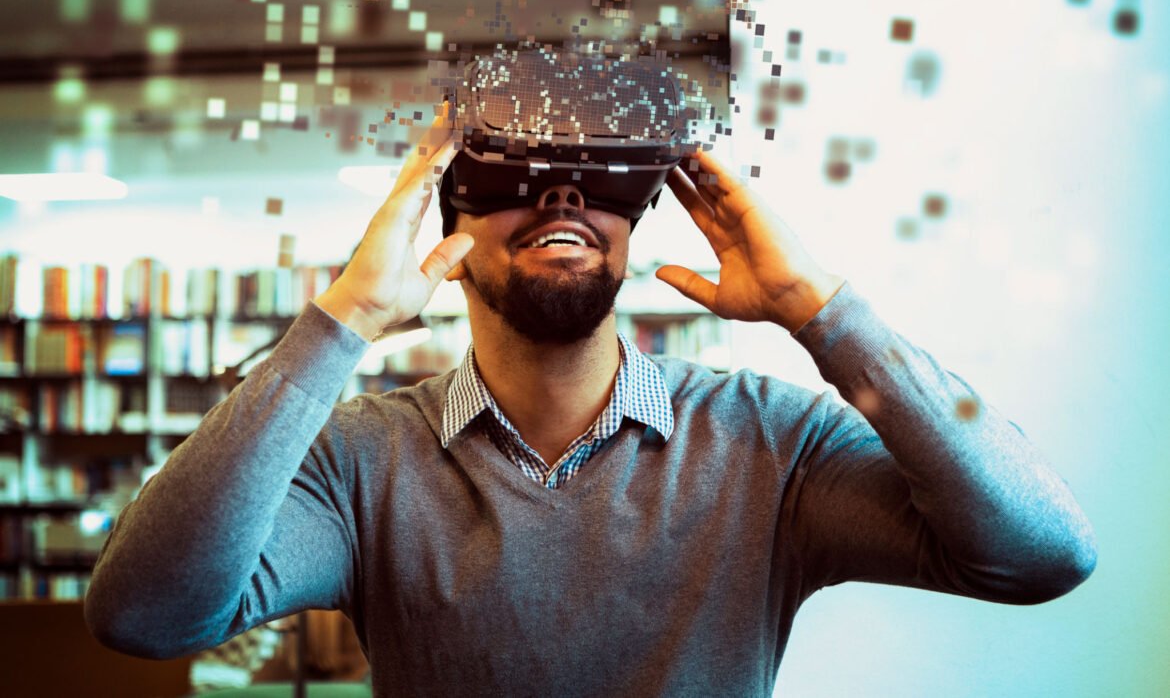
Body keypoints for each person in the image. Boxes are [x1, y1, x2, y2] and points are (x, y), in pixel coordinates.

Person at [84, 108, 1097, 697]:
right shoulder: (365, 461)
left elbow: (1044, 552)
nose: (564, 196)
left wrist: (824, 314)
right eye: (516, 174)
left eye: (599, 177)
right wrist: (340, 322)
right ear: (444, 232)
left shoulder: (767, 444)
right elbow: (146, 614)